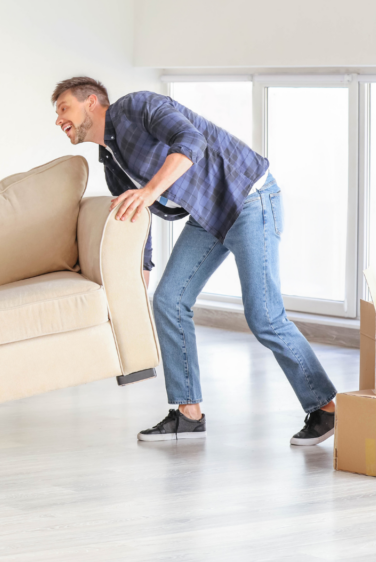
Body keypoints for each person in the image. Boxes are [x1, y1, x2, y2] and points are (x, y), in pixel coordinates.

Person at [52, 76, 338, 446]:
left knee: (265, 316)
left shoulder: (138, 106)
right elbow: (136, 218)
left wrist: (150, 190)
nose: (59, 120)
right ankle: (189, 413)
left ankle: (326, 408)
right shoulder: (109, 157)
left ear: (92, 101)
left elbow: (192, 142)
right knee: (168, 300)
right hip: (209, 214)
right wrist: (137, 281)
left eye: (63, 108)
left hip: (248, 199)